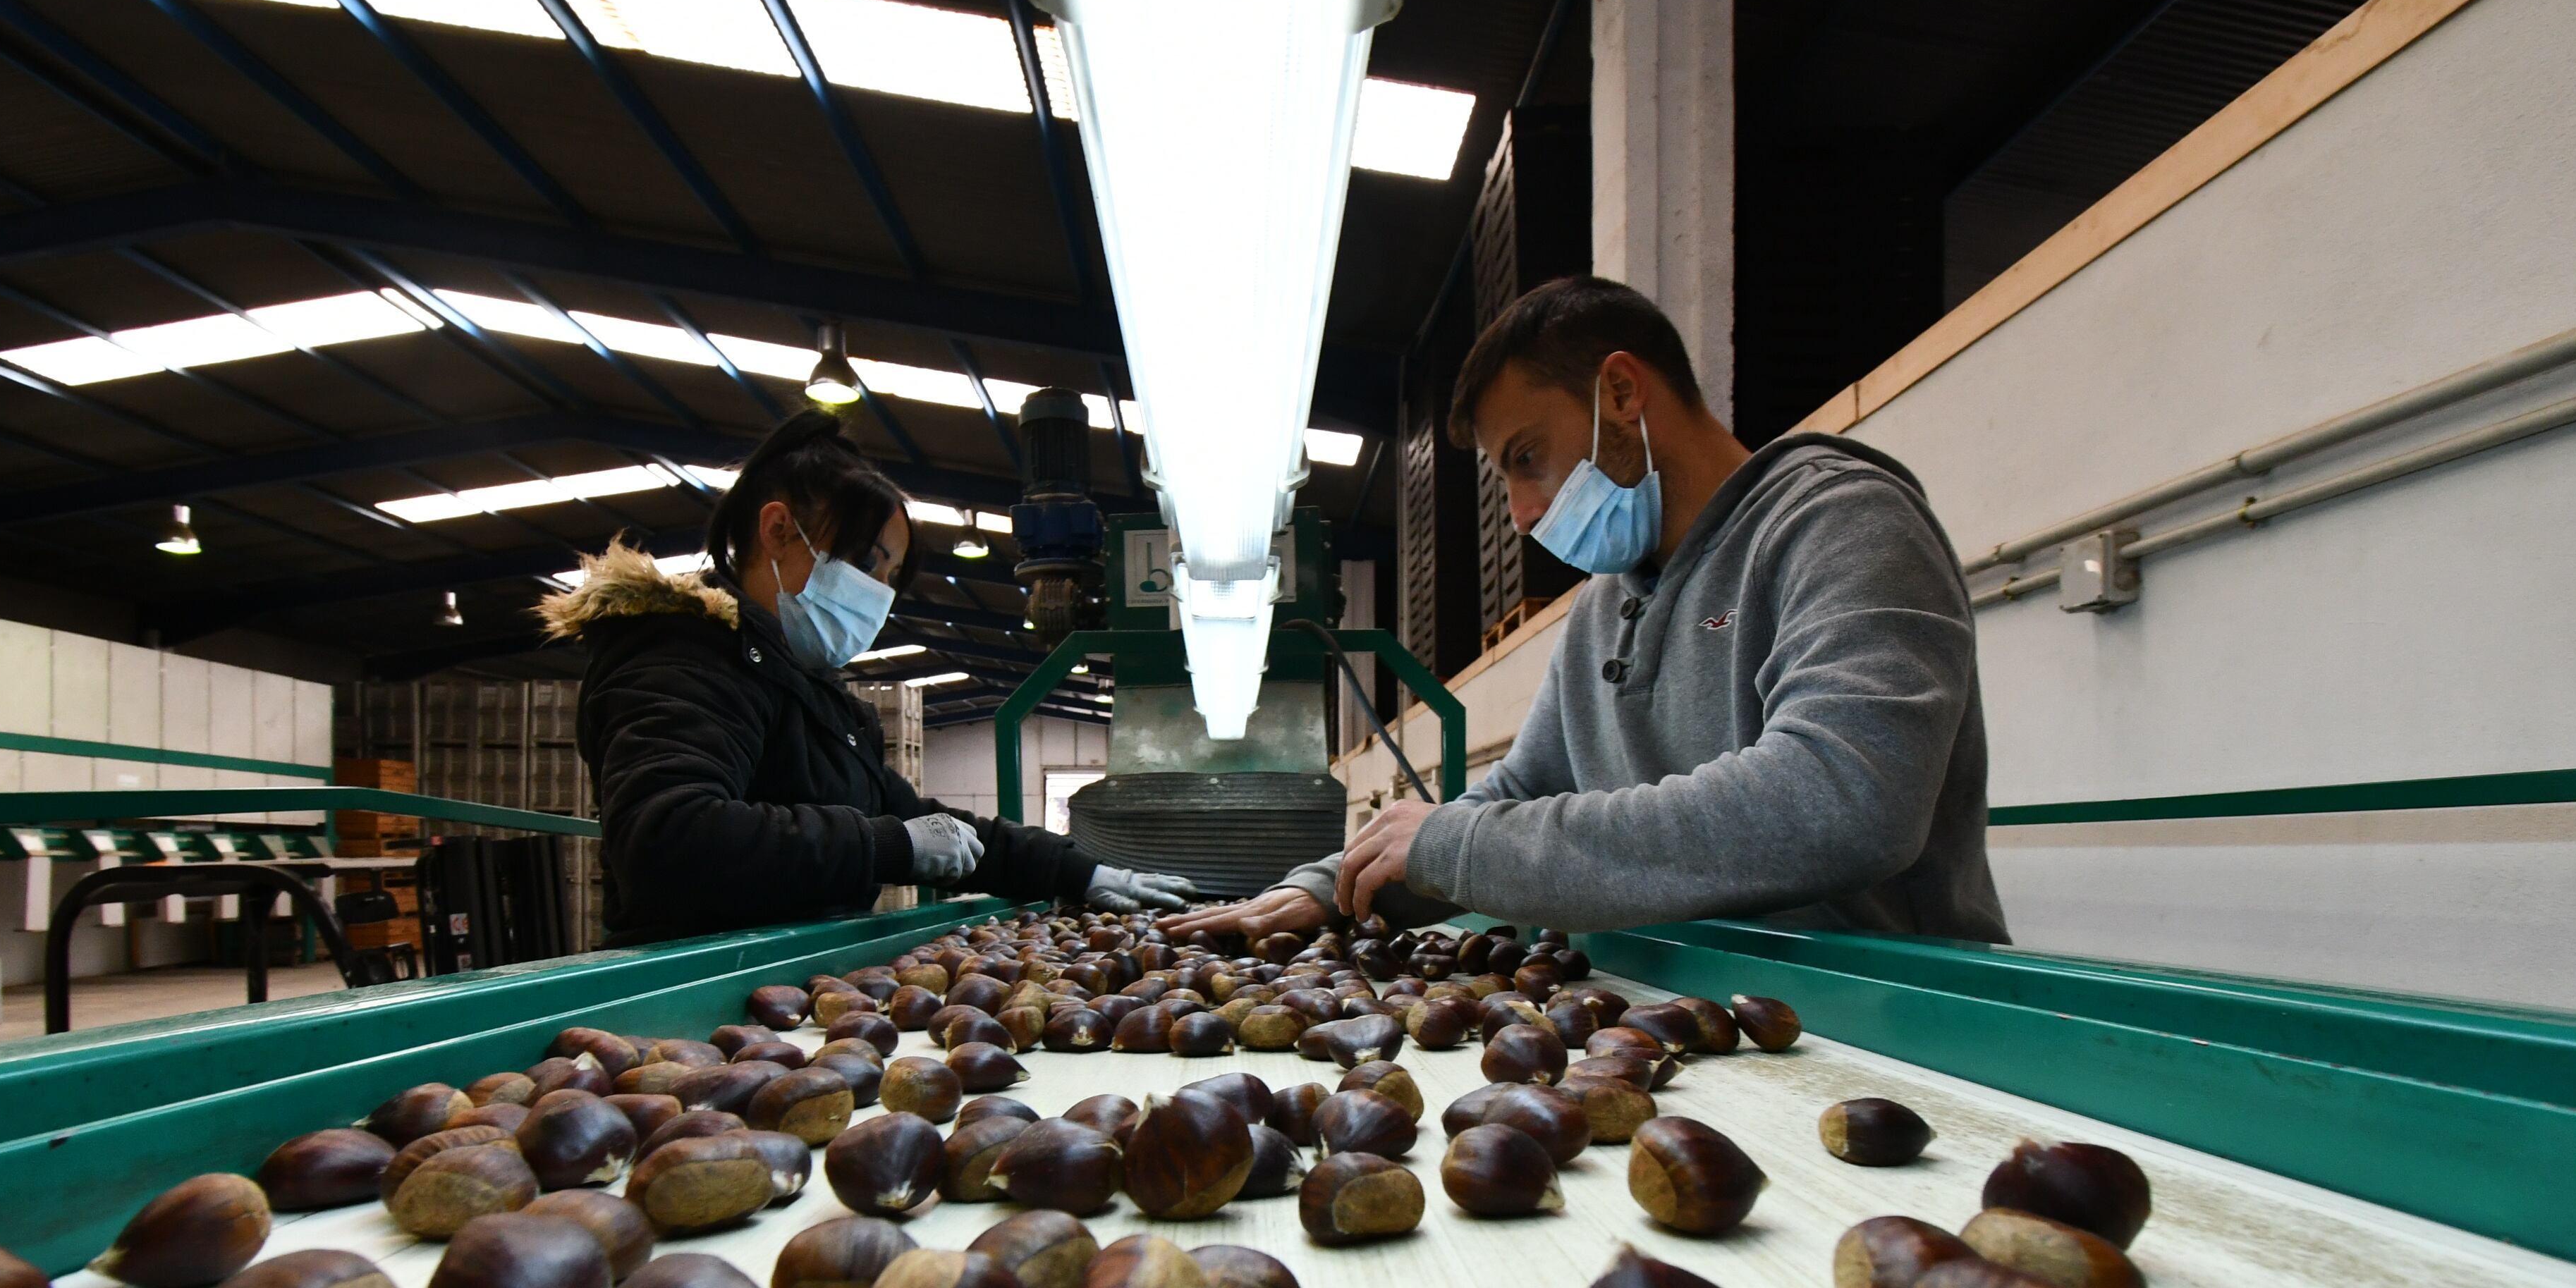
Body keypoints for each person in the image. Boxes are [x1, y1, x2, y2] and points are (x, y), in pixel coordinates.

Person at [1163, 275, 2006, 945]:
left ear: (1622, 395)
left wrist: (1459, 848)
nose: (1524, 514)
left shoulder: (1841, 524)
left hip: (1886, 1027)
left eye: (1527, 458)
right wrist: (1334, 885)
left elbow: (1848, 797)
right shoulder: (1605, 608)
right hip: (1691, 1011)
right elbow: (1526, 791)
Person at [540, 410, 1195, 943]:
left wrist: (1079, 872)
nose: (877, 596)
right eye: (867, 564)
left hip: (795, 976)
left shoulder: (817, 698)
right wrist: (884, 846)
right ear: (777, 529)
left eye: (889, 580)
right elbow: (666, 840)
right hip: (694, 986)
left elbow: (920, 821)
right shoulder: (681, 659)